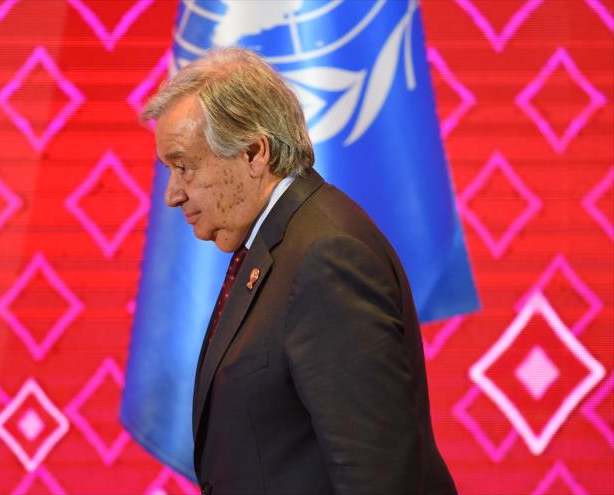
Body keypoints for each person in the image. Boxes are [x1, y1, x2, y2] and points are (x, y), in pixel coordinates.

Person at [141, 47, 458, 495]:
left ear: (254, 153)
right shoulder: (278, 244)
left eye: (183, 166)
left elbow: (378, 477)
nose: (172, 195)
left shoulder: (326, 257)